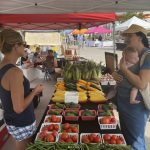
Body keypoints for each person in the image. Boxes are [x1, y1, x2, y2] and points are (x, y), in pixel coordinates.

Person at [0, 29, 44, 150]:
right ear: (15, 46)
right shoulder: (14, 72)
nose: (25, 47)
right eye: (23, 44)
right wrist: (35, 91)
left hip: (12, 120)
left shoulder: (2, 66)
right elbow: (18, 108)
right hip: (21, 121)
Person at [112, 25, 150, 150]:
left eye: (130, 36)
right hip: (123, 103)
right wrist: (115, 74)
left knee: (135, 142)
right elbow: (122, 72)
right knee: (126, 138)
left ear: (140, 37)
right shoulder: (130, 53)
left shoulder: (147, 56)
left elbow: (141, 83)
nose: (127, 39)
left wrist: (123, 69)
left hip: (135, 106)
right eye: (126, 36)